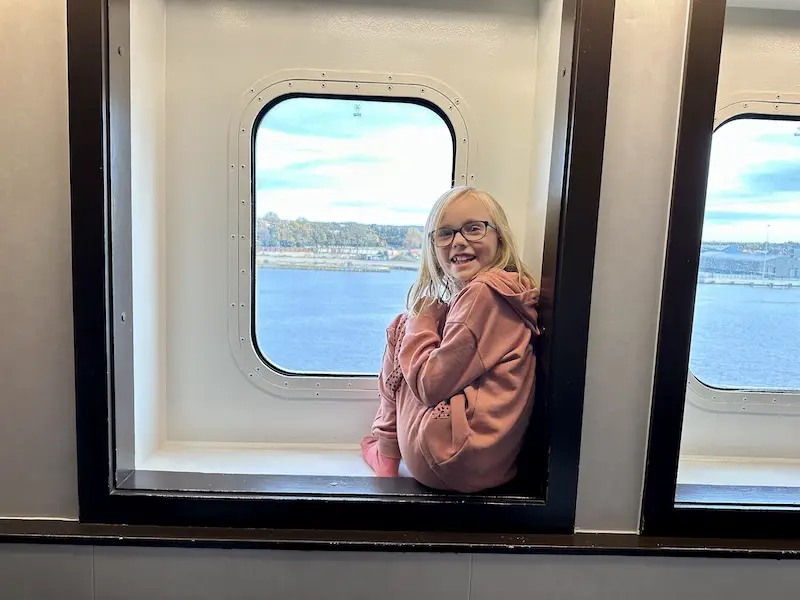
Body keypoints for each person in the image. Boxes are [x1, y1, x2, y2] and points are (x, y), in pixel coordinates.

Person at [360, 186, 541, 493]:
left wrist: (423, 320)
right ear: (433, 247)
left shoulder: (483, 293)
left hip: (448, 458)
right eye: (445, 233)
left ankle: (387, 454)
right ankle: (387, 449)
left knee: (401, 327)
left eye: (474, 229)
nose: (458, 241)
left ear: (499, 236)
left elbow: (431, 386)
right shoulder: (508, 291)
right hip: (489, 462)